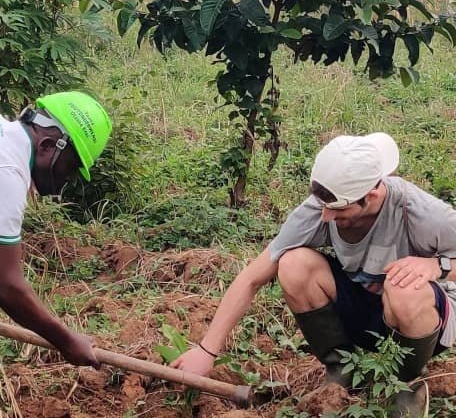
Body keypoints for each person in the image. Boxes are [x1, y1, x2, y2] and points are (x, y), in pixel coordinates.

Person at [171, 133, 456, 417]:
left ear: (372, 195)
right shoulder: (321, 208)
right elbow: (251, 278)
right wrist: (206, 351)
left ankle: (406, 383)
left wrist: (437, 266)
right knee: (293, 263)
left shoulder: (422, 213)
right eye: (323, 206)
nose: (326, 218)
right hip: (368, 310)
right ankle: (341, 368)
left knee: (402, 287)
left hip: (423, 321)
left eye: (337, 209)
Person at [0, 91, 112, 368]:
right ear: (49, 145)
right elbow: (7, 286)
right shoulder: (7, 172)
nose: (66, 181)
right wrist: (67, 340)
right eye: (71, 168)